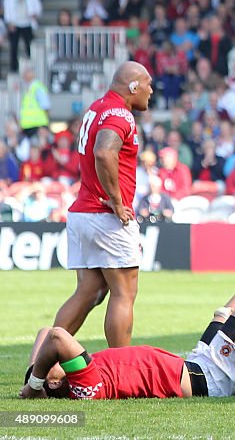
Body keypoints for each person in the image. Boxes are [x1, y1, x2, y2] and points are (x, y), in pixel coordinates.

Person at [20, 289, 235, 399]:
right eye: (54, 367)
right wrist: (35, 386)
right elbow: (56, 337)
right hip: (210, 380)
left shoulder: (64, 378)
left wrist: (34, 380)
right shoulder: (85, 384)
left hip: (196, 363)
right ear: (57, 379)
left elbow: (45, 332)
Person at [51, 61, 154, 348]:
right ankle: (121, 368)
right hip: (106, 216)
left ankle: (40, 363)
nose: (151, 90)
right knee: (124, 292)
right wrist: (118, 202)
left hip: (83, 211)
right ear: (133, 87)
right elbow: (104, 152)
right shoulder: (121, 114)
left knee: (89, 291)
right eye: (147, 83)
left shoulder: (96, 108)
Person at [3, 0, 42, 73]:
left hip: (27, 22)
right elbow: (7, 8)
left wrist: (35, 14)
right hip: (15, 23)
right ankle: (14, 68)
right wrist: (9, 22)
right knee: (14, 47)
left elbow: (37, 6)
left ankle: (32, 67)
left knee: (29, 46)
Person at [19, 68, 50, 138]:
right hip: (28, 127)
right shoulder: (29, 89)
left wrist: (43, 126)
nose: (24, 76)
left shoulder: (37, 88)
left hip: (37, 127)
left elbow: (46, 107)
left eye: (26, 74)